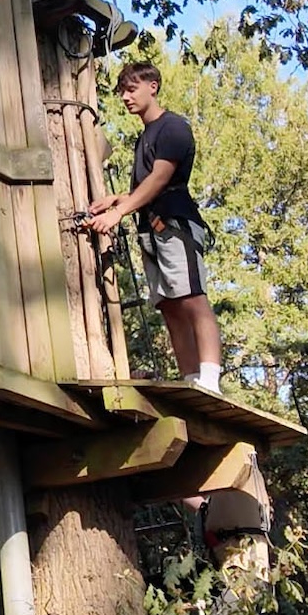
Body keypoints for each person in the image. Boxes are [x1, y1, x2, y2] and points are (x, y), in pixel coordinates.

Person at [87, 62, 222, 392]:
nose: (125, 97)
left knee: (191, 298)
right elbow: (144, 187)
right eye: (121, 91)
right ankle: (192, 379)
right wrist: (117, 200)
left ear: (153, 86)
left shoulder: (172, 127)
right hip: (151, 228)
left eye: (131, 89)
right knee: (169, 305)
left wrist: (118, 214)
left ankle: (210, 377)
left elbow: (160, 179)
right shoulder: (144, 138)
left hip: (175, 224)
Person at [161, 451, 274, 615]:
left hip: (240, 574)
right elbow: (201, 505)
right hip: (219, 572)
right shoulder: (223, 492)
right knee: (160, 591)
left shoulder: (241, 466)